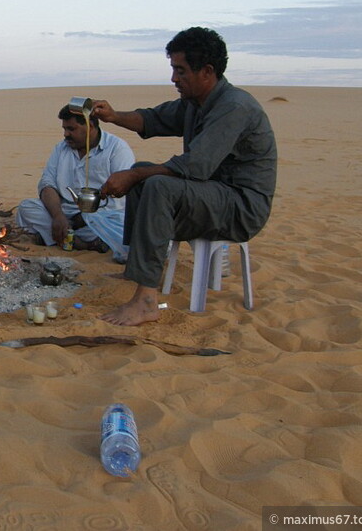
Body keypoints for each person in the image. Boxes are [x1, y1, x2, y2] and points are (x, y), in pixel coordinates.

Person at [92, 27, 278, 326]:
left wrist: (135, 174)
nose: (174, 79)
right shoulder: (195, 104)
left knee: (157, 185)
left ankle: (147, 301)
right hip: (213, 194)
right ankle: (135, 268)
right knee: (144, 175)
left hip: (242, 207)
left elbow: (196, 166)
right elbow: (152, 119)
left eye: (180, 70)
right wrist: (113, 116)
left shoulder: (234, 106)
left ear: (207, 71)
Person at [15, 105, 134, 260]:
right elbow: (47, 183)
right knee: (26, 207)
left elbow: (120, 199)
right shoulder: (61, 148)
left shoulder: (117, 149)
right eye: (64, 129)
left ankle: (61, 238)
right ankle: (83, 243)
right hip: (65, 212)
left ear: (90, 126)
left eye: (71, 129)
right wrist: (58, 216)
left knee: (120, 224)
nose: (66, 134)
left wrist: (76, 222)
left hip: (100, 215)